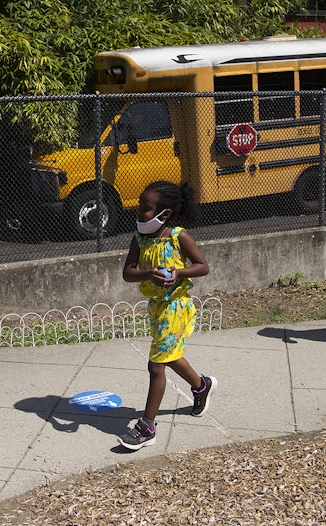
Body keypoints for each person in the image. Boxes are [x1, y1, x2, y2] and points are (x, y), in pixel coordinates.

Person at [117, 181, 216, 451]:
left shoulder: (179, 237)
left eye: (145, 208)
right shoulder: (139, 239)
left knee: (156, 365)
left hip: (176, 307)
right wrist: (149, 273)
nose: (138, 212)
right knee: (169, 356)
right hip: (157, 307)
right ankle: (201, 385)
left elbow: (203, 266)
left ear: (165, 213)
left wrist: (178, 273)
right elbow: (128, 272)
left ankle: (147, 427)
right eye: (139, 205)